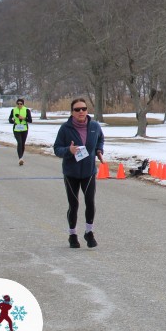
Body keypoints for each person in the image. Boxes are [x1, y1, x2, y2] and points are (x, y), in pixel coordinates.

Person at [52, 98, 104, 249]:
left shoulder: (94, 126)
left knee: (90, 202)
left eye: (84, 109)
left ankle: (89, 232)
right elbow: (57, 149)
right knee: (74, 204)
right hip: (71, 173)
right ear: (72, 112)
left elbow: (100, 139)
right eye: (77, 109)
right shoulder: (65, 128)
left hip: (89, 171)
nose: (81, 112)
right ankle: (72, 234)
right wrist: (69, 150)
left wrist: (99, 150)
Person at [8, 98, 33, 165]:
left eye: (21, 104)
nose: (19, 105)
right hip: (16, 129)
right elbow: (10, 118)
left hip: (24, 128)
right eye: (18, 104)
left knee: (23, 143)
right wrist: (12, 121)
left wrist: (24, 118)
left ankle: (21, 157)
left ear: (23, 104)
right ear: (16, 104)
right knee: (19, 142)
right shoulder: (13, 110)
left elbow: (30, 120)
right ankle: (20, 158)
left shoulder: (26, 110)